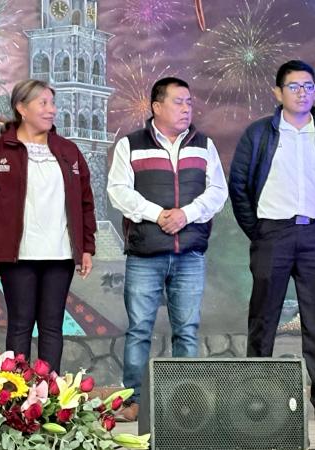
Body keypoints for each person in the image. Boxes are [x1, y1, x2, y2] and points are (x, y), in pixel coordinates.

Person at [228, 60, 315, 409]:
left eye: (308, 86)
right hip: (272, 233)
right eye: (294, 86)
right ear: (278, 93)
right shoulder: (258, 134)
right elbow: (239, 186)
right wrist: (259, 231)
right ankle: (255, 395)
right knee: (264, 316)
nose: (302, 93)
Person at [107, 77, 228, 421]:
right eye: (178, 102)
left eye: (189, 102)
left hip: (190, 253)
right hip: (145, 253)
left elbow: (217, 191)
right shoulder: (131, 144)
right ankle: (134, 400)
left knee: (187, 331)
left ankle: (183, 404)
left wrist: (185, 214)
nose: (186, 108)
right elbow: (118, 190)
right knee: (139, 330)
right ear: (156, 106)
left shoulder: (203, 145)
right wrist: (157, 214)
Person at [0, 79, 95, 373]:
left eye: (53, 103)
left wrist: (86, 247)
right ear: (22, 108)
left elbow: (85, 202)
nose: (52, 110)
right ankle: (17, 392)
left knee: (52, 326)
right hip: (17, 256)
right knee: (20, 324)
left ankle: (50, 392)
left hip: (60, 254)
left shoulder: (68, 151)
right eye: (43, 103)